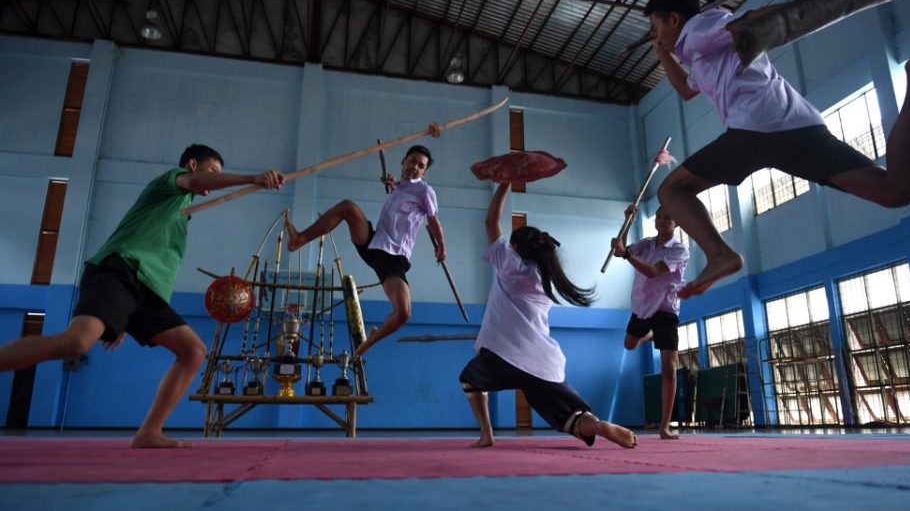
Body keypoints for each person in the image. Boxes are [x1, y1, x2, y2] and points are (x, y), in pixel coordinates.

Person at [645, 0, 910, 299]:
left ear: (674, 19)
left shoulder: (700, 29)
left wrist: (795, 10)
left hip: (756, 126)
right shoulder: (703, 55)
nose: (654, 35)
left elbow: (755, 21)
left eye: (655, 27)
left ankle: (720, 254)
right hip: (793, 127)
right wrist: (663, 52)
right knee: (895, 190)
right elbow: (687, 89)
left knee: (671, 189)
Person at [0, 144, 284, 448]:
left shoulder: (181, 212)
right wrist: (253, 178)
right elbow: (198, 182)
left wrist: (122, 317)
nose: (215, 179)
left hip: (146, 293)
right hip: (119, 271)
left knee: (192, 351)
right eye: (213, 170)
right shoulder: (171, 182)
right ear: (192, 164)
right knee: (76, 343)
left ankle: (149, 432)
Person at [459, 183, 637, 449]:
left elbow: (491, 221)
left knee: (469, 379)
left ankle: (486, 435)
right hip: (544, 363)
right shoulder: (545, 279)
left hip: (503, 356)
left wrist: (505, 183)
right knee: (572, 418)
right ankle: (598, 425)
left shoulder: (511, 266)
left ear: (516, 246)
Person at [284, 145, 446, 357]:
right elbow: (399, 192)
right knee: (348, 207)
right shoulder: (399, 188)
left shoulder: (425, 191)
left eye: (420, 166)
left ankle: (371, 340)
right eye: (412, 161)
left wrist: (441, 245)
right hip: (374, 243)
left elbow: (433, 220)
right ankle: (299, 239)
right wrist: (392, 184)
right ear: (403, 161)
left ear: (424, 172)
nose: (415, 167)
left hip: (392, 258)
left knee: (403, 313)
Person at [610, 205, 689, 439]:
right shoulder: (645, 244)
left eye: (668, 217)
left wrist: (625, 254)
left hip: (665, 308)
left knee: (669, 368)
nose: (662, 220)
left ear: (677, 224)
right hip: (642, 307)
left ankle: (664, 426)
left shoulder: (679, 250)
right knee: (629, 344)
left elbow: (654, 271)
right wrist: (627, 222)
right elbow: (620, 251)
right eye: (659, 217)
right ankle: (652, 334)